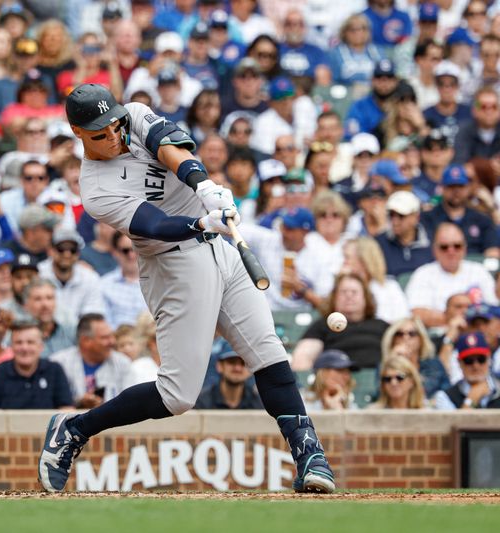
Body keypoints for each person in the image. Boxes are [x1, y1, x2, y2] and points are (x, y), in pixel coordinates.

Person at [38, 83, 335, 495]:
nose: (112, 135)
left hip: (219, 250)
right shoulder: (95, 189)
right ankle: (74, 428)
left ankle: (310, 455)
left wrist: (203, 186)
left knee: (268, 352)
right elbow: (153, 224)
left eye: (114, 124)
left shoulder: (135, 115)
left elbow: (170, 146)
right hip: (173, 263)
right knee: (178, 396)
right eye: (99, 132)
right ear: (78, 133)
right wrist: (199, 222)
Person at [405, 223, 498, 328]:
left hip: (480, 335)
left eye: (457, 246)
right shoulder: (423, 274)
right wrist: (458, 320)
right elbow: (418, 313)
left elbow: (494, 306)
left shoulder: (479, 271)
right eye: (444, 247)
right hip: (439, 335)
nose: (451, 251)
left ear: (464, 248)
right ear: (434, 250)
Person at [292, 273, 390, 370]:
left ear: (366, 298)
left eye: (354, 292)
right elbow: (303, 357)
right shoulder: (322, 325)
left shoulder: (382, 326)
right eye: (343, 292)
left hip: (379, 380)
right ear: (334, 298)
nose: (348, 296)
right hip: (335, 379)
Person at [0, 321, 73, 409]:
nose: (24, 348)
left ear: (41, 346)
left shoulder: (55, 370)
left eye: (30, 342)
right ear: (11, 346)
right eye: (18, 342)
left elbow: (67, 409)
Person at [50, 314, 131, 407]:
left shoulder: (123, 363)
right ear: (85, 340)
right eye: (105, 337)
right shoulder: (58, 362)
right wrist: (79, 403)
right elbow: (50, 403)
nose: (112, 341)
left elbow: (131, 402)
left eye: (112, 336)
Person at [420, 165, 500, 258]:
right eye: (451, 186)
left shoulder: (482, 219)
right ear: (442, 188)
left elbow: (492, 252)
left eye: (460, 186)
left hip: (475, 269)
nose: (456, 191)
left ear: (468, 188)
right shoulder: (428, 218)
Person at [38, 228, 104, 327]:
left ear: (78, 253)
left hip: (80, 335)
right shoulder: (39, 273)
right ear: (50, 250)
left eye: (72, 250)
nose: (67, 254)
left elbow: (92, 315)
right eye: (61, 249)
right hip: (44, 330)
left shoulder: (90, 277)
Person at [341, 236, 410, 323]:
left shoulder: (390, 287)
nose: (344, 262)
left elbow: (403, 321)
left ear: (364, 260)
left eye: (347, 257)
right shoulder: (341, 287)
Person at [380, 317, 450, 398]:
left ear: (421, 339)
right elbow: (381, 394)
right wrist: (393, 362)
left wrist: (408, 363)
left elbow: (423, 393)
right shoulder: (384, 364)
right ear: (392, 339)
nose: (405, 338)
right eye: (399, 334)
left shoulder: (432, 364)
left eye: (412, 334)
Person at [434, 332, 500, 409]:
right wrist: (471, 400)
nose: (476, 366)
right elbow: (452, 421)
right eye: (468, 361)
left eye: (481, 359)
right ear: (459, 363)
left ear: (489, 359)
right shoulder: (445, 396)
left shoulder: (497, 387)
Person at [375, 190, 433, 277]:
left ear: (416, 217)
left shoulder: (433, 242)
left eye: (401, 216)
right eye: (391, 215)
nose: (395, 221)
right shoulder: (378, 244)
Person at [100, 232, 149, 329]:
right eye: (125, 251)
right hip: (119, 340)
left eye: (135, 249)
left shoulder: (157, 281)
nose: (131, 255)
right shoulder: (104, 285)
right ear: (115, 253)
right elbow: (105, 324)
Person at [23, 278, 75, 358]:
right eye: (38, 299)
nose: (45, 305)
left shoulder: (72, 333)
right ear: (26, 305)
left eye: (49, 298)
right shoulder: (18, 337)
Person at [194, 350, 263, 409]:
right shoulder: (201, 401)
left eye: (243, 363)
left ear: (250, 369)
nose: (237, 368)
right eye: (232, 362)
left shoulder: (260, 403)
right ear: (219, 366)